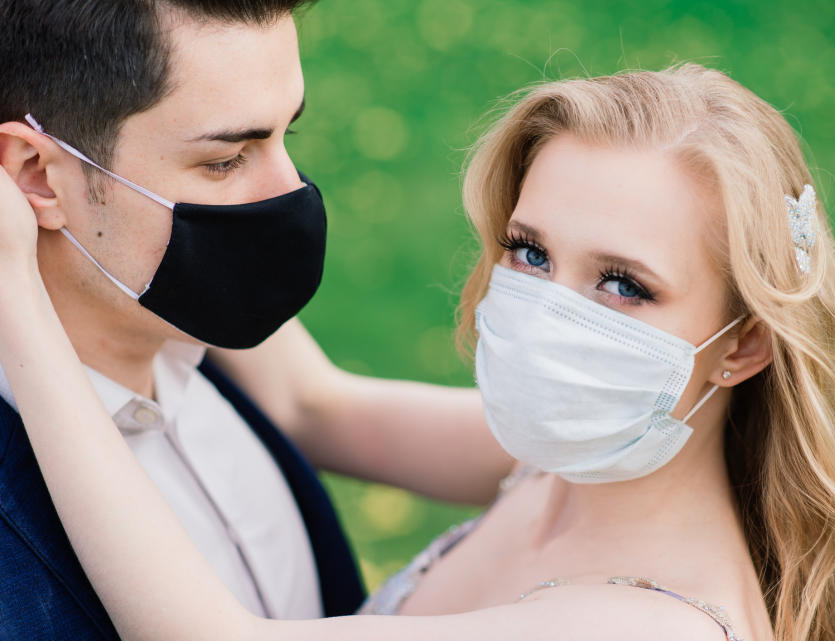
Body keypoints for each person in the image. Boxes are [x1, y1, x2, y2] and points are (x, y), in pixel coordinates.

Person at [0, 64, 835, 641]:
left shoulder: (649, 622)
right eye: (531, 250)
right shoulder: (569, 454)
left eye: (623, 283)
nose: (550, 313)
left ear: (741, 346)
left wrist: (17, 299)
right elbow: (318, 405)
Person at [0, 2, 508, 639]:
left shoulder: (192, 315)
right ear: (36, 175)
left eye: (285, 136)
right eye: (225, 161)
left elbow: (316, 404)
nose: (291, 191)